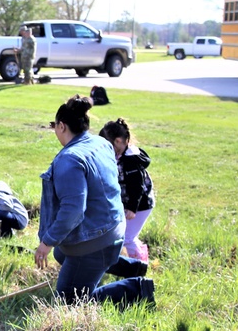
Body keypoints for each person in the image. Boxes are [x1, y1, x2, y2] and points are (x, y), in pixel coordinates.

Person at [34, 95, 154, 306]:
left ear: (62, 126)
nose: (54, 130)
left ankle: (138, 288)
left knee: (68, 303)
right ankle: (133, 267)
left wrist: (47, 242)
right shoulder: (100, 143)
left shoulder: (70, 159)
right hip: (114, 228)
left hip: (97, 241)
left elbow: (73, 210)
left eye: (54, 126)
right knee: (62, 254)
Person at [99, 118, 154, 262]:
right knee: (127, 235)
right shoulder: (121, 154)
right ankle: (139, 258)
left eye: (108, 146)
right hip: (131, 203)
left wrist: (132, 208)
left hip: (140, 205)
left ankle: (139, 266)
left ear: (117, 141)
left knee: (127, 238)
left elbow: (137, 186)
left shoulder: (131, 159)